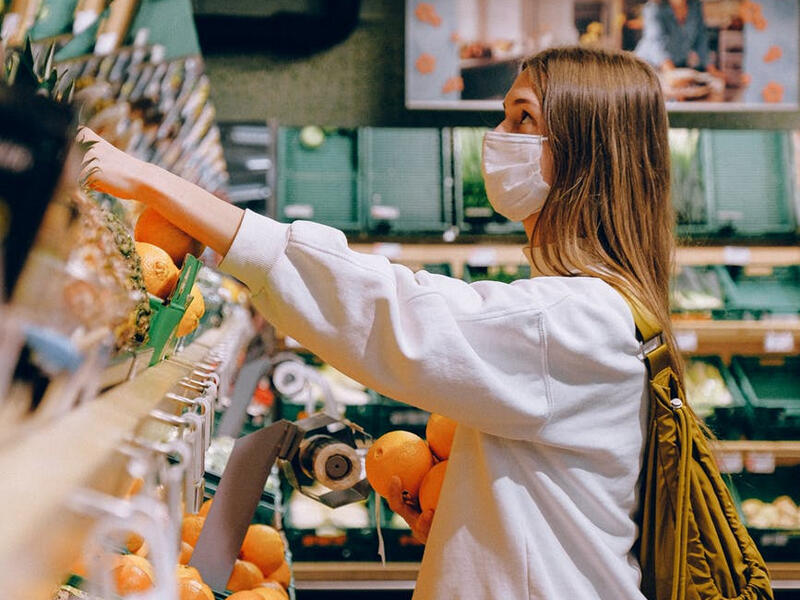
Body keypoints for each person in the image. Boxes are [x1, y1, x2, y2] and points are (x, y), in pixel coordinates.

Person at [79, 45, 683, 599]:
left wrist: (151, 181)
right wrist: (467, 506)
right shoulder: (599, 306)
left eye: (522, 119)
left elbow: (388, 308)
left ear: (587, 148)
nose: (496, 136)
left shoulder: (574, 319)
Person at [635, 0, 717, 73]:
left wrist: (712, 70)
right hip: (648, 67)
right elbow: (656, 43)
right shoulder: (653, 8)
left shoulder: (695, 6)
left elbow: (701, 39)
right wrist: (671, 73)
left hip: (676, 66)